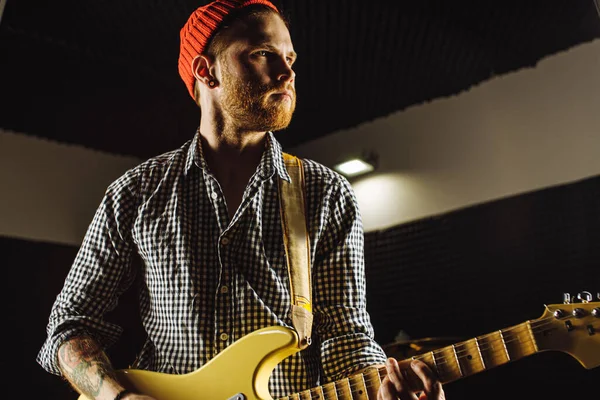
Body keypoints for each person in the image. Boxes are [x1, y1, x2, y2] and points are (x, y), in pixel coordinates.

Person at [37, 1, 446, 399]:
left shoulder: (327, 194)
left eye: (290, 58)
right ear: (205, 70)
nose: (287, 73)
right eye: (263, 54)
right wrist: (117, 397)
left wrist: (384, 388)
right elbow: (69, 325)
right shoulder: (136, 193)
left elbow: (346, 339)